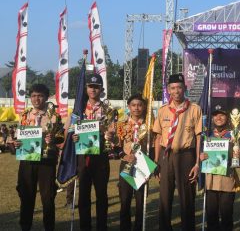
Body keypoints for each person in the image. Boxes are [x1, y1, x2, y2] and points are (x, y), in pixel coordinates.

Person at [153, 73, 202, 231]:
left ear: (184, 89)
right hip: (166, 156)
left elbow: (199, 137)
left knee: (187, 198)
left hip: (186, 155)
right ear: (168, 90)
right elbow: (158, 136)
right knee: (165, 198)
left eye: (179, 87)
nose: (176, 91)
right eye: (173, 88)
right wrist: (156, 162)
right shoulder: (162, 111)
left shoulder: (194, 109)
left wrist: (196, 163)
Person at [14, 84, 64, 231]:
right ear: (30, 97)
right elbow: (18, 137)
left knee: (48, 198)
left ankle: (49, 227)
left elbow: (61, 138)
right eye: (34, 95)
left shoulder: (55, 116)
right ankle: (25, 226)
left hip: (47, 162)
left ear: (46, 97)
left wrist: (53, 139)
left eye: (40, 95)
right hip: (27, 160)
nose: (37, 99)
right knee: (26, 196)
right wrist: (16, 143)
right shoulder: (24, 115)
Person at [70, 73, 115, 231]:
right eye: (90, 86)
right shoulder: (79, 108)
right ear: (86, 88)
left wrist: (109, 134)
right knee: (83, 196)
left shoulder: (107, 109)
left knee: (101, 195)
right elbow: (70, 131)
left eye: (96, 87)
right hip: (83, 156)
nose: (93, 90)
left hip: (100, 156)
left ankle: (102, 227)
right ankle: (85, 227)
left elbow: (112, 132)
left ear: (101, 89)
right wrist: (74, 136)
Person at [199, 104, 240, 231]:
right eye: (216, 115)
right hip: (211, 181)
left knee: (226, 214)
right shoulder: (207, 136)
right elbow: (199, 155)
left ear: (227, 118)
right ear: (212, 118)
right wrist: (201, 156)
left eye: (222, 115)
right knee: (211, 215)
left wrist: (237, 153)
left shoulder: (234, 135)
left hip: (227, 180)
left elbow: (239, 160)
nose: (219, 117)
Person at [115, 94, 149, 231]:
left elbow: (153, 146)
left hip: (143, 164)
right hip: (127, 163)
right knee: (125, 199)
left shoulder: (149, 124)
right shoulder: (122, 123)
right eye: (133, 105)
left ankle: (139, 227)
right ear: (129, 107)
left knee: (141, 200)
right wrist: (124, 155)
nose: (136, 108)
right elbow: (116, 146)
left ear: (144, 107)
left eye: (139, 105)